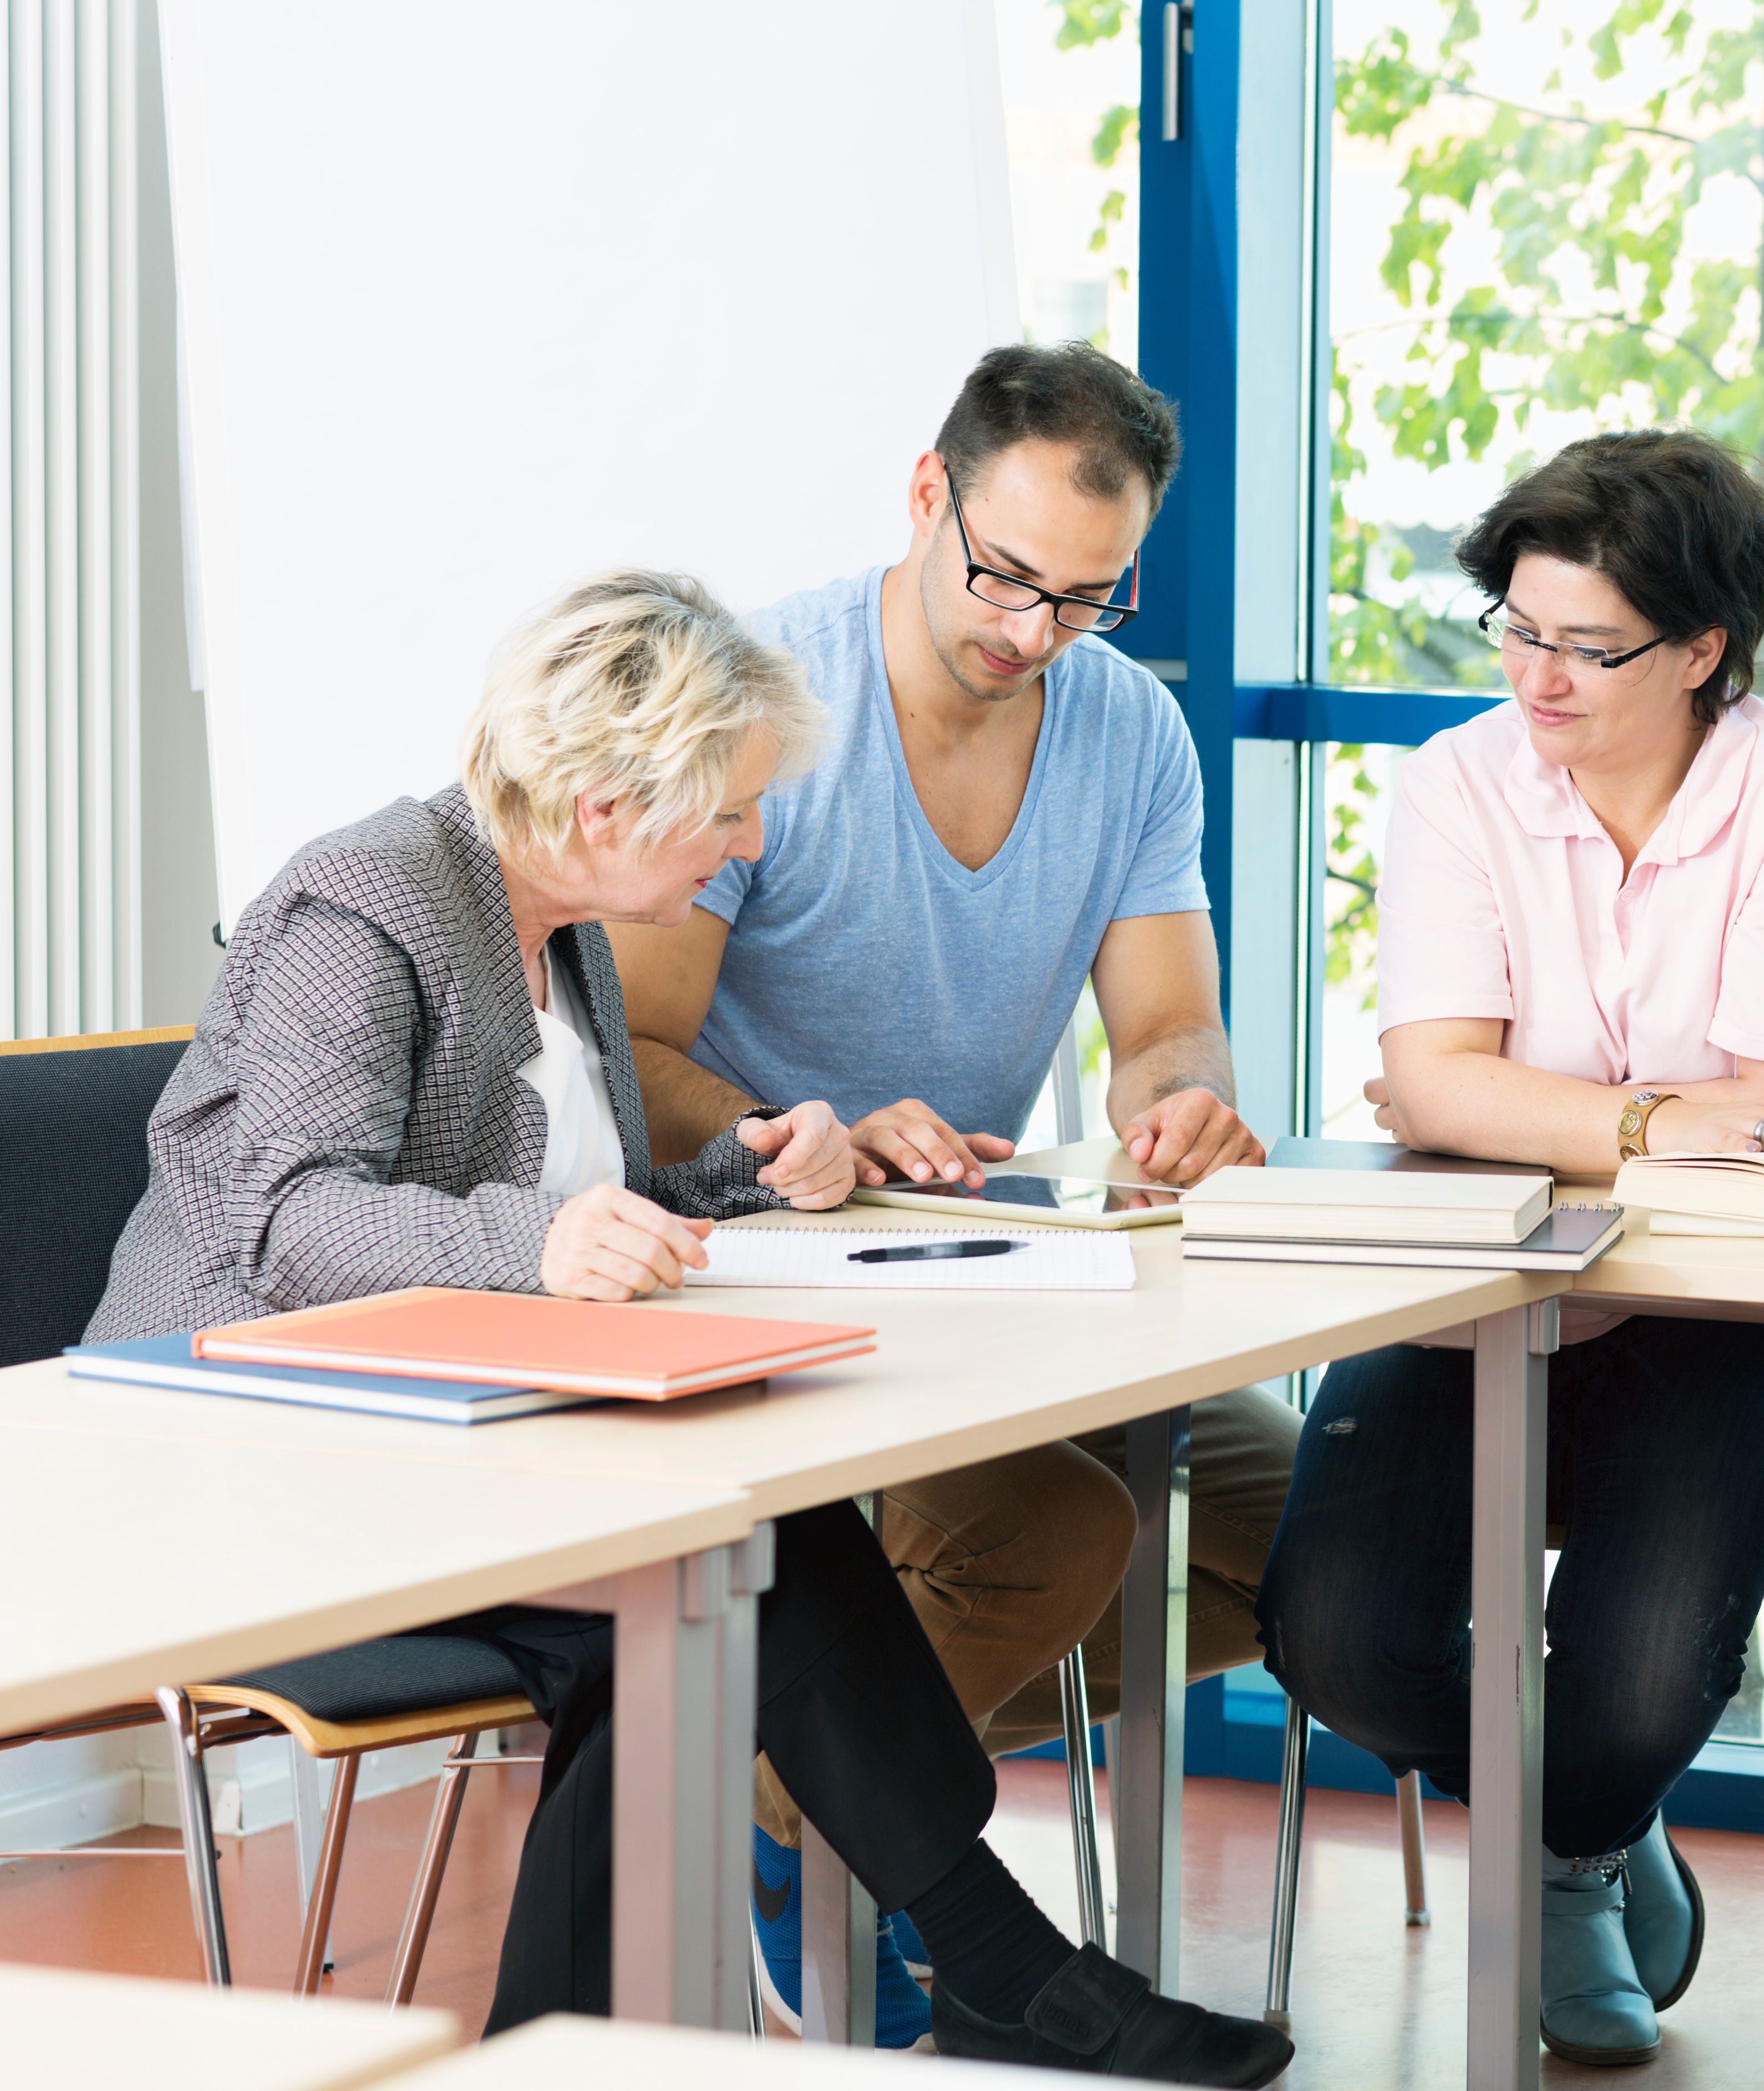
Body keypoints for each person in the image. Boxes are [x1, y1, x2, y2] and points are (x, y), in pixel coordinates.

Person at [89, 573, 1290, 2084]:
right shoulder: (366, 902)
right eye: (729, 812)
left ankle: (920, 1980)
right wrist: (545, 1242)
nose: (754, 844)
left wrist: (738, 1169)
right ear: (604, 806)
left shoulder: (566, 928)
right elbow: (289, 1220)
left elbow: (574, 1192)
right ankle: (995, 1967)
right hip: (269, 1461)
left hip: (474, 1438)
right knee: (706, 1598)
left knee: (737, 1562)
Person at [604, 343, 1300, 2035]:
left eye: (1086, 597)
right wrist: (808, 1131)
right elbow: (635, 1053)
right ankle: (831, 1840)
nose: (1031, 631)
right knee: (1057, 1533)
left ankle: (798, 1774)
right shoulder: (770, 706)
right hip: (762, 1262)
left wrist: (1185, 1105)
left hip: (979, 1272)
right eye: (1004, 577)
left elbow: (1167, 1027)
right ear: (928, 494)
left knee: (1311, 1543)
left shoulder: (1127, 731)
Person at [1254, 429, 1764, 2067]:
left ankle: (1571, 1848)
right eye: (1517, 632)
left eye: (1588, 648)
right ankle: (1591, 1825)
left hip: (1752, 1314)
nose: (1538, 679)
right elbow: (1432, 1083)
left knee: (1638, 1665)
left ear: (1705, 654)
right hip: (1490, 1283)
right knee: (1335, 1634)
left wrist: (1526, 1103)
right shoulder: (1456, 784)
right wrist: (1636, 1118)